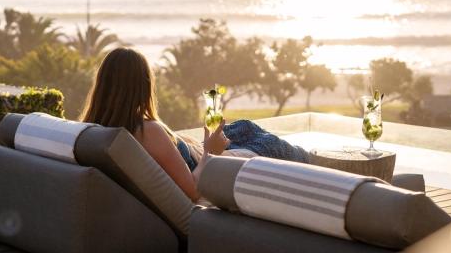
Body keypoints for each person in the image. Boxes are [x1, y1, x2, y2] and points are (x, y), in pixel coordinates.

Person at [80, 47, 308, 202]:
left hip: (195, 150)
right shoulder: (148, 131)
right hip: (205, 161)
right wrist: (212, 152)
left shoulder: (92, 130)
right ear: (142, 87)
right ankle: (315, 167)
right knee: (271, 145)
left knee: (245, 127)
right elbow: (193, 190)